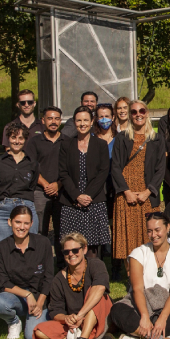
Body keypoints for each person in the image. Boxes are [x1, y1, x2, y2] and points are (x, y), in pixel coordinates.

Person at [109, 213, 170, 339]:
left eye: (157, 230)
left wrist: (162, 318)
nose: (153, 235)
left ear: (168, 228)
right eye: (149, 231)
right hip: (141, 306)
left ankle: (137, 336)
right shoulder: (138, 253)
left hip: (167, 307)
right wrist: (145, 316)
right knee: (117, 310)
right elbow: (138, 289)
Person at [34, 232, 112, 339]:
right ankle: (89, 337)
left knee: (96, 294)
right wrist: (67, 318)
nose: (71, 254)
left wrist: (81, 315)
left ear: (84, 249)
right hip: (76, 324)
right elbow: (55, 311)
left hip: (99, 315)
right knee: (39, 331)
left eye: (75, 250)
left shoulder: (96, 265)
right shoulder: (59, 279)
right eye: (66, 252)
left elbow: (100, 288)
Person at [110, 100, 165, 265]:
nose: (138, 114)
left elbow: (160, 168)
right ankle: (131, 275)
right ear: (129, 115)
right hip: (127, 192)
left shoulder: (156, 138)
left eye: (141, 111)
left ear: (147, 113)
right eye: (134, 112)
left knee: (149, 232)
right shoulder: (122, 138)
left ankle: (151, 271)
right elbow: (116, 167)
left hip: (147, 192)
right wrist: (126, 191)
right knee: (129, 234)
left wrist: (148, 191)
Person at [0, 206, 53, 339]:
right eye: (18, 222)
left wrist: (40, 302)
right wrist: (27, 295)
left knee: (32, 337)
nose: (22, 227)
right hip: (16, 296)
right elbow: (3, 282)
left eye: (26, 223)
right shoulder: (1, 248)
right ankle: (14, 322)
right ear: (9, 222)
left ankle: (35, 316)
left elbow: (49, 278)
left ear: (31, 224)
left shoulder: (43, 243)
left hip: (39, 296)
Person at [58, 106, 111, 258]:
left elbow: (103, 172)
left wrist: (87, 195)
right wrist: (77, 195)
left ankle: (93, 276)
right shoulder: (66, 144)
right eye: (79, 120)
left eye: (86, 120)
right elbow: (63, 173)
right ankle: (74, 277)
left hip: (93, 200)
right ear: (74, 122)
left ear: (92, 121)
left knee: (93, 247)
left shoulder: (100, 145)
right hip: (71, 201)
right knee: (72, 245)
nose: (82, 124)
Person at [0, 123, 40, 272]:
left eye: (20, 138)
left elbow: (32, 186)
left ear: (25, 140)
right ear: (8, 139)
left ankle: (28, 282)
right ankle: (3, 287)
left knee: (30, 246)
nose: (17, 141)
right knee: (1, 248)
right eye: (13, 138)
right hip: (2, 209)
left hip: (26, 207)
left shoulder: (32, 163)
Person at [25, 106, 64, 266]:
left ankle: (62, 265)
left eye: (56, 118)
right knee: (40, 230)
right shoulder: (34, 142)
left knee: (62, 231)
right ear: (43, 121)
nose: (53, 122)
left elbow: (70, 168)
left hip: (62, 191)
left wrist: (58, 184)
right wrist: (47, 185)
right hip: (40, 192)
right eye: (50, 118)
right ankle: (40, 265)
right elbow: (31, 167)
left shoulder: (67, 141)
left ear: (60, 121)